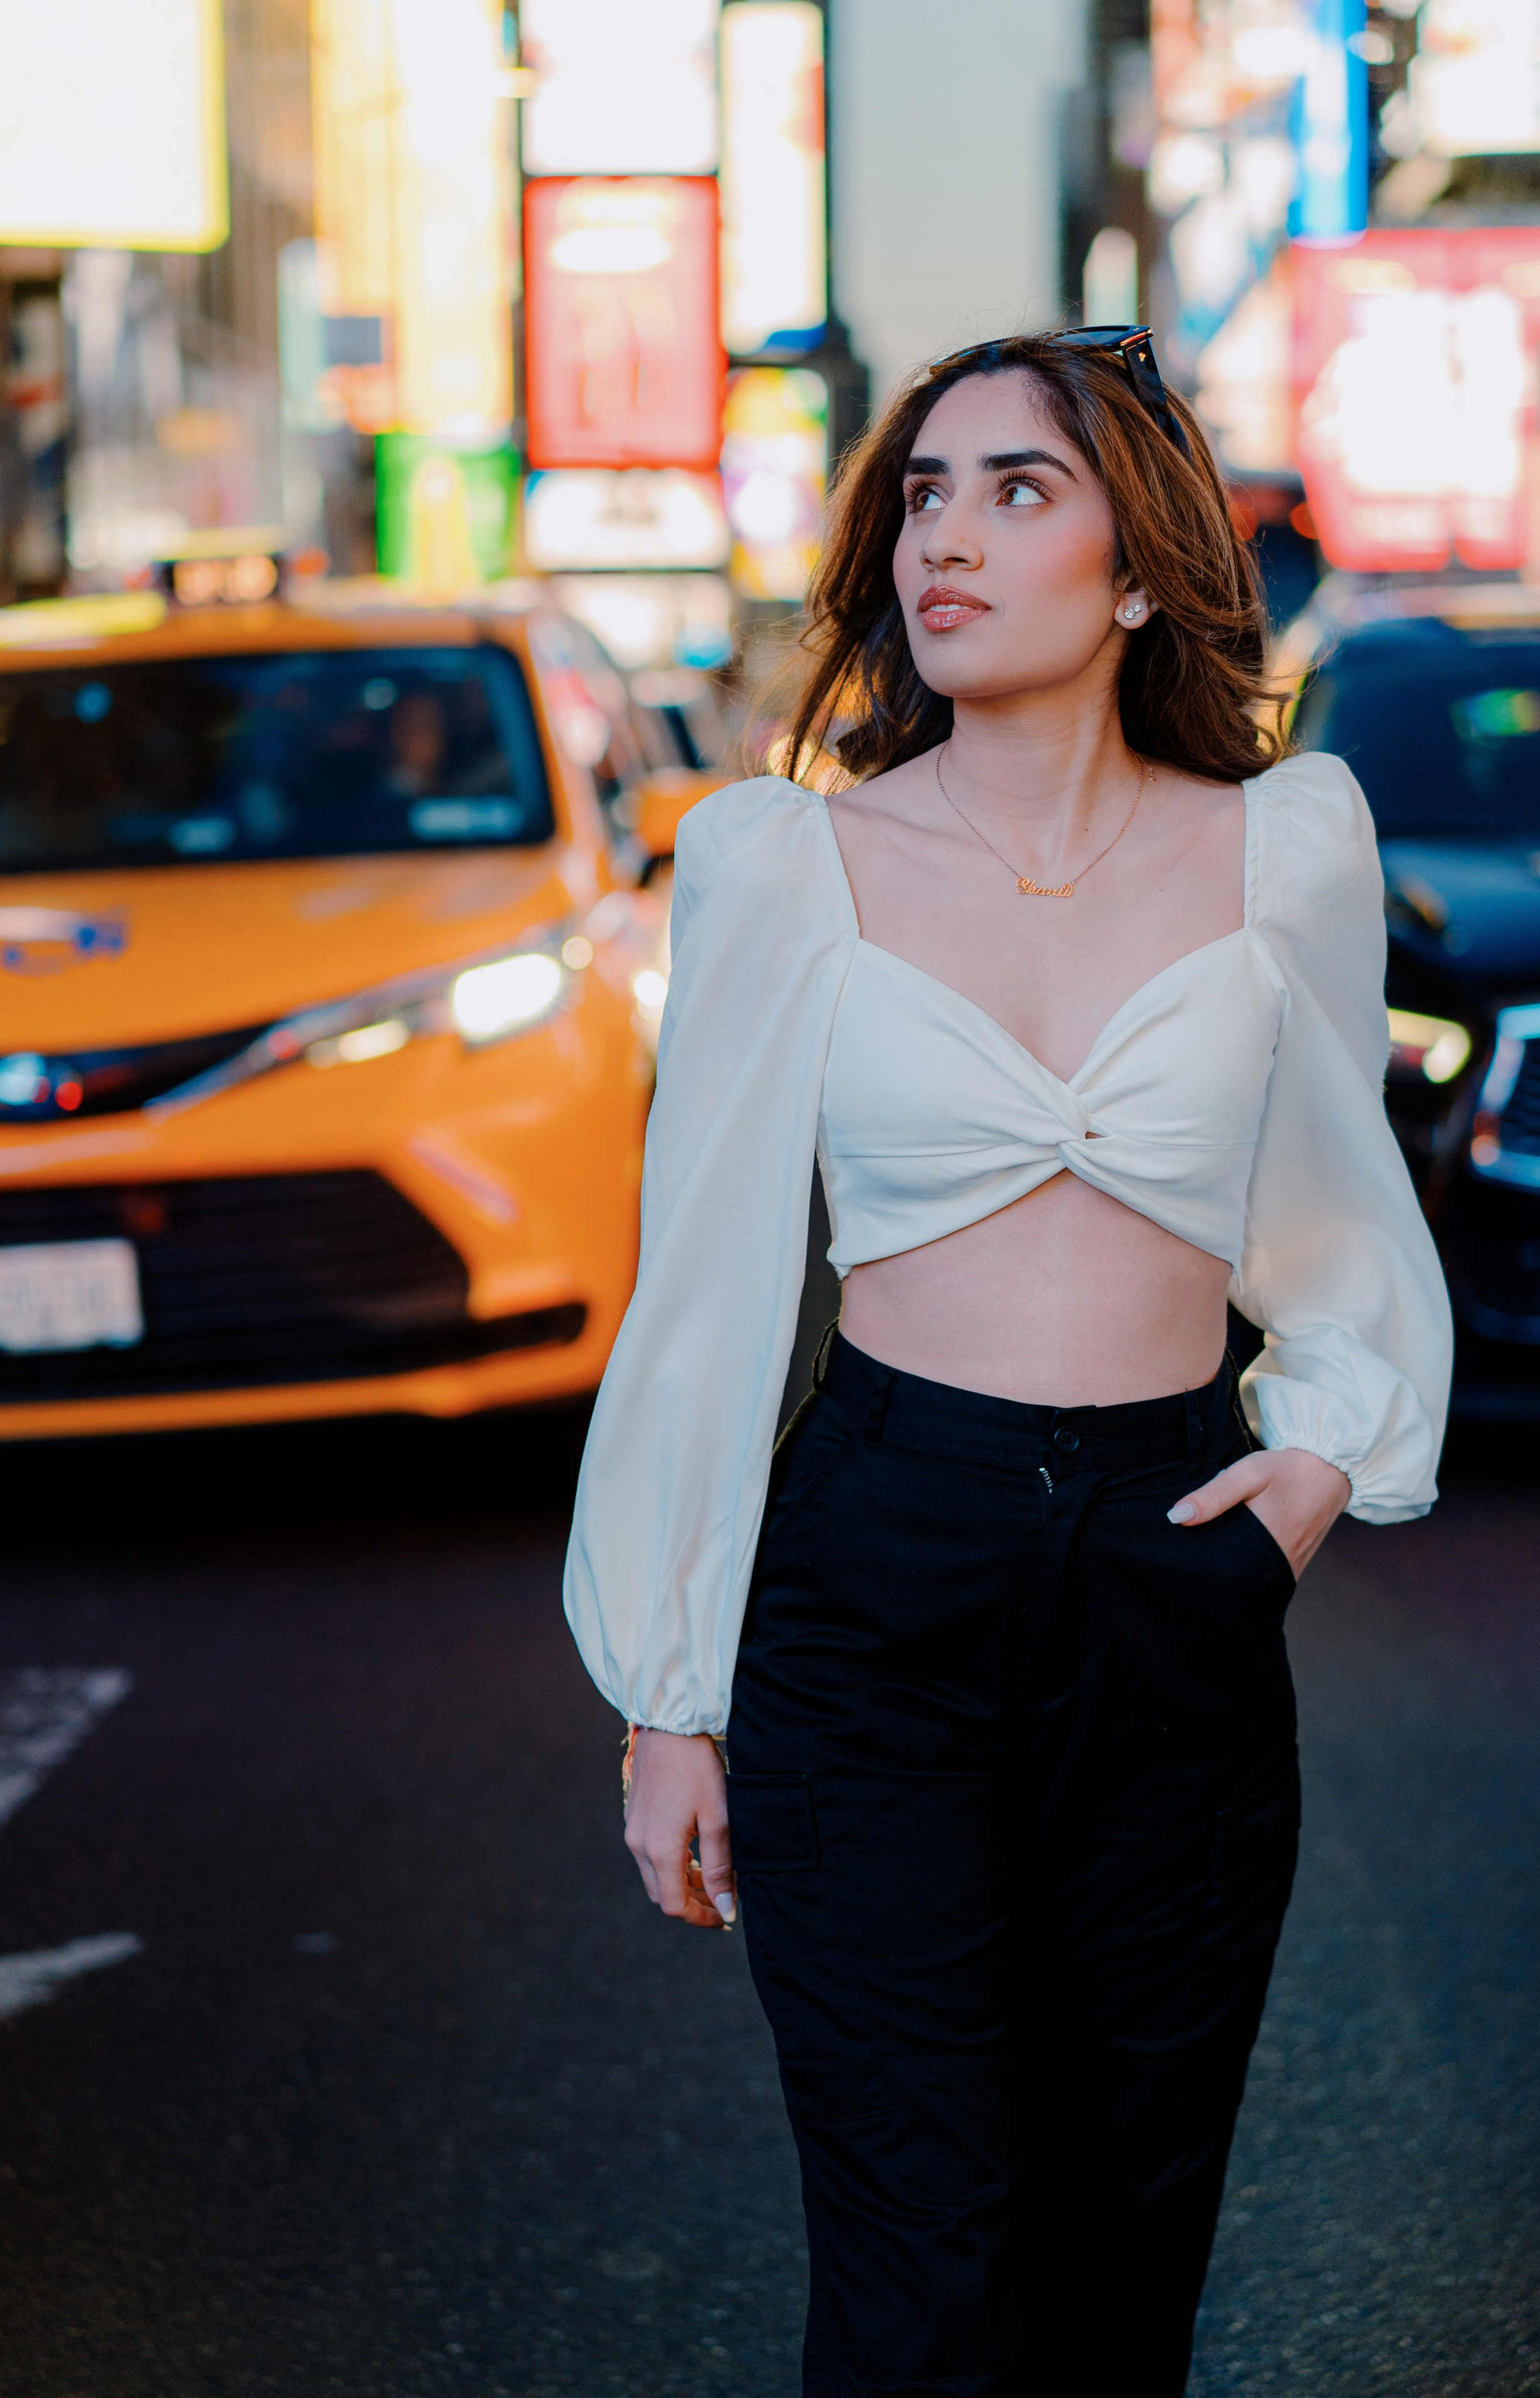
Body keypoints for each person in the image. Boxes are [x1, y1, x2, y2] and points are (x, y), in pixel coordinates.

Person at [563, 329, 1452, 2397]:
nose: (944, 540)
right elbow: (700, 1294)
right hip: (875, 1583)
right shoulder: (790, 865)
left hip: (1172, 1580)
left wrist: (1313, 1471)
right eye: (924, 497)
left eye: (1016, 491)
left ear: (1141, 568)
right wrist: (669, 1703)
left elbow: (1338, 1224)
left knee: (1125, 2255)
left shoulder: (1280, 851)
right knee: (919, 2269)